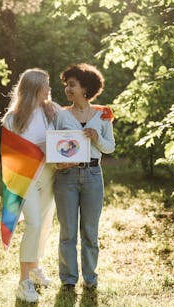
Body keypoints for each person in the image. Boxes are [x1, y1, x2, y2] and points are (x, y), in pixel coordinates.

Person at [53, 63, 115, 290]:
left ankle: (90, 279)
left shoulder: (102, 115)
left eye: (72, 85)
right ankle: (68, 279)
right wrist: (58, 162)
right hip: (66, 177)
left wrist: (96, 137)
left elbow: (110, 148)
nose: (68, 89)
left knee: (90, 231)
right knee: (67, 231)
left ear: (85, 88)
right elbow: (53, 145)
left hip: (92, 175)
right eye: (66, 85)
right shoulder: (60, 115)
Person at [1, 68, 59, 302]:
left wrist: (100, 114)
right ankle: (23, 281)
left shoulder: (51, 111)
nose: (49, 88)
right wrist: (38, 149)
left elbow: (71, 122)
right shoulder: (12, 118)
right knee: (33, 223)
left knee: (44, 223)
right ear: (35, 87)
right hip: (25, 178)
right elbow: (11, 153)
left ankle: (34, 268)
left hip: (49, 174)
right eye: (46, 84)